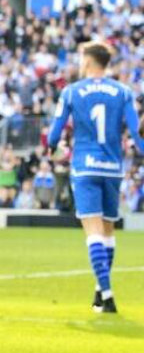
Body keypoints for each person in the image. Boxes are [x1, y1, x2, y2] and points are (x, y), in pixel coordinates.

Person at [46, 41, 144, 314]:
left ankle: (108, 295)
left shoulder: (71, 91)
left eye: (80, 59)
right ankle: (100, 292)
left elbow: (55, 133)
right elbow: (136, 134)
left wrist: (51, 148)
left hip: (85, 166)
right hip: (112, 169)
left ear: (88, 62)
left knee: (93, 231)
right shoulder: (123, 91)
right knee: (109, 231)